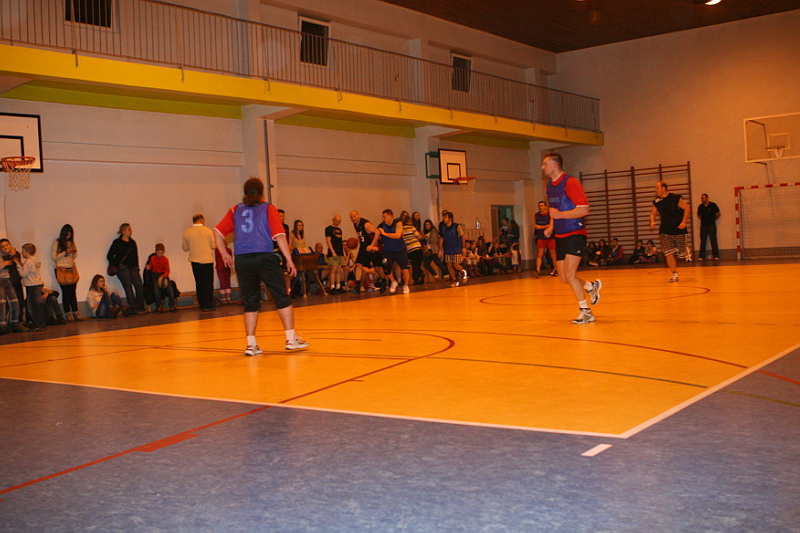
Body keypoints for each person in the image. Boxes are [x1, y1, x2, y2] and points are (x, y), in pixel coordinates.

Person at [214, 177, 308, 356]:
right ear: (262, 192)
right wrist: (289, 259)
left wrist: (224, 253)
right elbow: (279, 236)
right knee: (281, 296)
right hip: (264, 256)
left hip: (242, 259)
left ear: (245, 192)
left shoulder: (235, 209)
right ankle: (290, 339)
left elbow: (217, 232)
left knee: (250, 301)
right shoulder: (268, 208)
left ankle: (251, 344)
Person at [542, 152, 602, 324]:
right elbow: (554, 211)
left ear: (554, 165)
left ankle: (586, 312)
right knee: (563, 277)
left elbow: (584, 209)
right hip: (560, 235)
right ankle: (590, 286)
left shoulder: (570, 182)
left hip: (575, 233)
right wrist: (551, 226)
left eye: (545, 164)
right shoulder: (549, 186)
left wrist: (561, 215)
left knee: (570, 274)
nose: (542, 167)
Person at [650, 181, 690, 282]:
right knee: (668, 252)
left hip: (678, 229)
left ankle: (686, 251)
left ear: (663, 188)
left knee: (681, 254)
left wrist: (684, 222)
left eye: (657, 188)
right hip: (665, 230)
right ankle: (674, 274)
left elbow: (687, 208)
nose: (655, 190)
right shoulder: (657, 201)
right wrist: (652, 221)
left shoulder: (675, 197)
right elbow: (652, 213)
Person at [107, 223, 146, 314]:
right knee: (128, 288)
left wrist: (137, 267)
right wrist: (117, 264)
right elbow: (109, 255)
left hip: (133, 267)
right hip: (123, 268)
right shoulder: (117, 243)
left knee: (139, 286)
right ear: (123, 231)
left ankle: (140, 306)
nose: (130, 231)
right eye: (129, 229)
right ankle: (134, 308)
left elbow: (136, 256)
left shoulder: (132, 242)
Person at [182, 214, 216, 311]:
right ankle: (208, 305)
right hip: (207, 261)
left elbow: (185, 247)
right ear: (202, 220)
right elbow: (214, 245)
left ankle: (201, 304)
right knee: (208, 283)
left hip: (195, 261)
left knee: (199, 283)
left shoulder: (187, 232)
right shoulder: (208, 231)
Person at [51, 224, 84, 321]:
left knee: (73, 292)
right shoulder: (57, 243)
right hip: (61, 269)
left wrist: (73, 252)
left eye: (70, 235)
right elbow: (54, 257)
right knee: (65, 292)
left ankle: (75, 311)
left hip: (71, 268)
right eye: (67, 235)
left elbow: (74, 256)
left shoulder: (71, 242)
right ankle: (67, 312)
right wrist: (65, 252)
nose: (68, 237)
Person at [374, 209, 411, 294]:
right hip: (388, 250)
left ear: (391, 216)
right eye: (382, 217)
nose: (383, 219)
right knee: (386, 268)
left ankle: (406, 285)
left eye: (385, 217)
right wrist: (373, 245)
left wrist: (384, 234)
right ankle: (393, 281)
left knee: (405, 269)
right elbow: (376, 234)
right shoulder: (381, 226)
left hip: (400, 249)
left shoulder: (398, 223)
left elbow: (398, 235)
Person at [349, 210, 384, 293]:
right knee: (358, 265)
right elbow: (361, 235)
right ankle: (357, 285)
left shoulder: (365, 224)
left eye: (354, 216)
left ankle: (384, 281)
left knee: (378, 268)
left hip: (371, 247)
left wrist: (372, 245)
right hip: (363, 248)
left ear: (358, 215)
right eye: (351, 217)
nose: (353, 218)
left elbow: (377, 232)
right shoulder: (355, 224)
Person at [17, 243, 47, 331]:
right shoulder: (34, 260)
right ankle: (41, 322)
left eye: (23, 251)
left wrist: (18, 266)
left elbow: (23, 273)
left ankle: (37, 323)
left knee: (33, 305)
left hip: (32, 285)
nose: (22, 252)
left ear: (27, 252)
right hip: (37, 284)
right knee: (37, 305)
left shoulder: (28, 262)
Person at [438, 211, 468, 287]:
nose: (444, 219)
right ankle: (454, 280)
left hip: (456, 248)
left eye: (445, 217)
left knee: (455, 264)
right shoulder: (443, 228)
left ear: (450, 218)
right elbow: (441, 238)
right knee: (449, 265)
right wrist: (440, 249)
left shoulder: (457, 226)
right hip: (447, 248)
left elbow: (463, 236)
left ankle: (463, 272)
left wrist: (463, 247)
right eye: (443, 217)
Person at [145, 243, 176, 312]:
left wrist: (163, 276)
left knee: (170, 290)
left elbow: (167, 270)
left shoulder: (165, 259)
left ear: (164, 252)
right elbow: (151, 267)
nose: (160, 255)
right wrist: (148, 267)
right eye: (158, 253)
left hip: (163, 275)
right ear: (156, 252)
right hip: (155, 275)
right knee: (156, 291)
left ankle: (172, 305)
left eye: (161, 253)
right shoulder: (152, 258)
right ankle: (158, 306)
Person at [0, 239, 22, 333]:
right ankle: (2, 326)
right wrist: (2, 264)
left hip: (10, 281)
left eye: (7, 245)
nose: (5, 247)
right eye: (2, 246)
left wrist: (13, 251)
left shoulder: (13, 254)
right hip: (1, 280)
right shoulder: (2, 257)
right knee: (2, 303)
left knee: (14, 302)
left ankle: (14, 324)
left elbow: (16, 260)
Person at [534, 201, 557, 276]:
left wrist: (541, 227)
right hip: (541, 237)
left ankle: (556, 269)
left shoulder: (549, 214)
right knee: (539, 254)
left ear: (545, 207)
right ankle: (537, 270)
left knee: (553, 254)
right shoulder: (536, 215)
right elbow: (536, 225)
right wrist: (537, 228)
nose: (540, 207)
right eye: (539, 206)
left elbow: (551, 225)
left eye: (542, 206)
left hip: (550, 237)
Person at [401, 213, 424, 285]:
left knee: (413, 264)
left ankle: (418, 276)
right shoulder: (412, 228)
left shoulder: (401, 229)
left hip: (409, 250)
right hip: (417, 248)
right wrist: (421, 235)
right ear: (410, 221)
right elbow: (419, 237)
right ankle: (417, 278)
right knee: (417, 265)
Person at [697, 193, 721, 261]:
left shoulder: (713, 205)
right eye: (701, 198)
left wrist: (713, 219)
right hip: (703, 226)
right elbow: (699, 215)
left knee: (713, 241)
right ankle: (701, 256)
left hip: (711, 225)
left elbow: (718, 213)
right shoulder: (700, 207)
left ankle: (716, 256)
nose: (702, 199)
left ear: (707, 198)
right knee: (703, 241)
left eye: (703, 198)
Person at [325, 215, 346, 294]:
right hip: (333, 252)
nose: (337, 222)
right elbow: (328, 241)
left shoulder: (339, 230)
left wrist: (343, 252)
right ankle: (332, 287)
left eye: (339, 221)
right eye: (336, 221)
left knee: (339, 269)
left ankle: (338, 286)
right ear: (333, 220)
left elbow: (340, 242)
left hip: (340, 251)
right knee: (333, 269)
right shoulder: (328, 229)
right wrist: (333, 252)